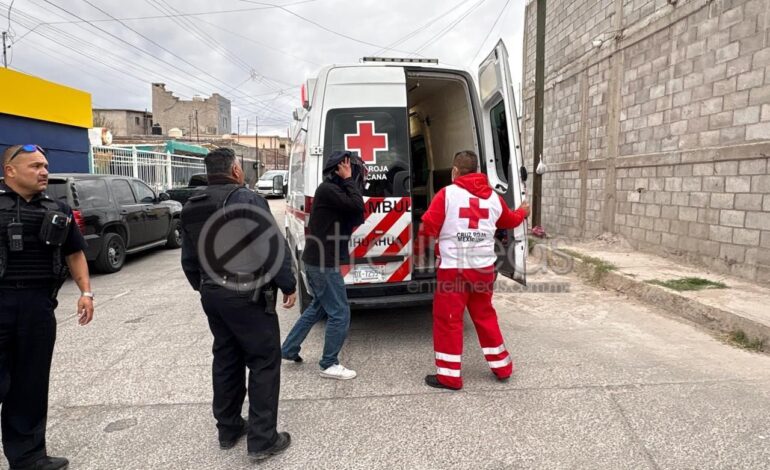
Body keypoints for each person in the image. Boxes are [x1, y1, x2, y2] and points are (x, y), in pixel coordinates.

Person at [180, 148, 297, 462]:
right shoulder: (246, 199)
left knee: (227, 357)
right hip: (247, 295)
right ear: (235, 170)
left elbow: (189, 258)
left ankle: (229, 429)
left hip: (212, 294)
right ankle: (262, 439)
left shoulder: (192, 207)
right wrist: (288, 283)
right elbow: (272, 247)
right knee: (263, 360)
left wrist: (204, 287)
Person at [0, 144, 94, 470]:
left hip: (38, 306)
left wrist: (86, 292)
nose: (43, 172)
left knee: (30, 383)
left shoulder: (58, 209)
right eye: (35, 166)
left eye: (45, 165)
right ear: (10, 171)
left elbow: (74, 253)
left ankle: (28, 458)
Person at [416, 150, 529, 390]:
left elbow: (427, 228)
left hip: (454, 270)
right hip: (483, 269)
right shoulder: (494, 198)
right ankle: (502, 367)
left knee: (449, 320)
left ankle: (449, 376)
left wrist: (420, 254)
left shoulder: (447, 194)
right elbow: (509, 220)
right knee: (485, 316)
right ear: (478, 171)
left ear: (455, 171)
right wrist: (523, 212)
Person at [281, 150, 365, 380]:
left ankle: (289, 349)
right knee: (340, 312)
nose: (356, 175)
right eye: (350, 169)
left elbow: (357, 212)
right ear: (340, 169)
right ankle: (329, 363)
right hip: (323, 263)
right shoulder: (329, 190)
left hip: (320, 261)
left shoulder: (333, 191)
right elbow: (358, 207)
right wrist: (349, 179)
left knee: (318, 307)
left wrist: (348, 182)